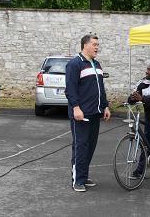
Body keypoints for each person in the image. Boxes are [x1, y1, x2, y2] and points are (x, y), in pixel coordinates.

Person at [65, 34, 111, 192]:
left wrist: (105, 106)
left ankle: (83, 176)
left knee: (90, 146)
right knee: (81, 146)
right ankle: (77, 180)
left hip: (95, 113)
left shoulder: (97, 64)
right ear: (85, 45)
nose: (97, 47)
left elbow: (101, 88)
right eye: (94, 44)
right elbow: (70, 89)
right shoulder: (75, 64)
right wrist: (76, 108)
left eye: (98, 44)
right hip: (81, 114)